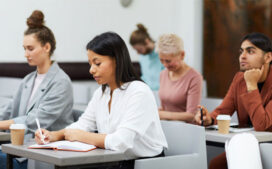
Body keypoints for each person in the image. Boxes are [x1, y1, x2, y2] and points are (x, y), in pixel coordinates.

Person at [35, 32, 168, 169]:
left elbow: (121, 141)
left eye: (97, 63)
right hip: (115, 159)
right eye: (90, 64)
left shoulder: (139, 92)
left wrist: (80, 136)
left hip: (143, 163)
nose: (91, 70)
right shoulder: (101, 92)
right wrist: (54, 135)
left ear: (117, 60)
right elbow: (84, 124)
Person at [194, 32, 272, 169]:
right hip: (249, 143)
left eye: (250, 51)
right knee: (216, 164)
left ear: (268, 57)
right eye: (241, 51)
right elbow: (223, 110)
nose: (242, 56)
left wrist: (251, 85)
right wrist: (209, 119)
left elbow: (262, 124)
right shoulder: (239, 78)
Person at [0, 10, 74, 169]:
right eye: (24, 48)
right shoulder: (28, 80)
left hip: (45, 156)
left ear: (46, 47)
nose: (26, 54)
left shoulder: (61, 82)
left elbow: (34, 121)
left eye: (30, 48)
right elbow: (8, 110)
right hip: (23, 149)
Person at [157, 34, 203, 123]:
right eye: (161, 60)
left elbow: (191, 115)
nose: (164, 65)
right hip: (166, 127)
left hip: (185, 129)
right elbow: (165, 107)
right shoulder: (163, 74)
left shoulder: (194, 77)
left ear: (182, 55)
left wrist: (161, 114)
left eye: (168, 61)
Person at [130, 24, 164, 91]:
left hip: (161, 92)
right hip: (147, 92)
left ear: (147, 41)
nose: (138, 53)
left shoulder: (162, 53)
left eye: (139, 49)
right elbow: (145, 77)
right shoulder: (142, 57)